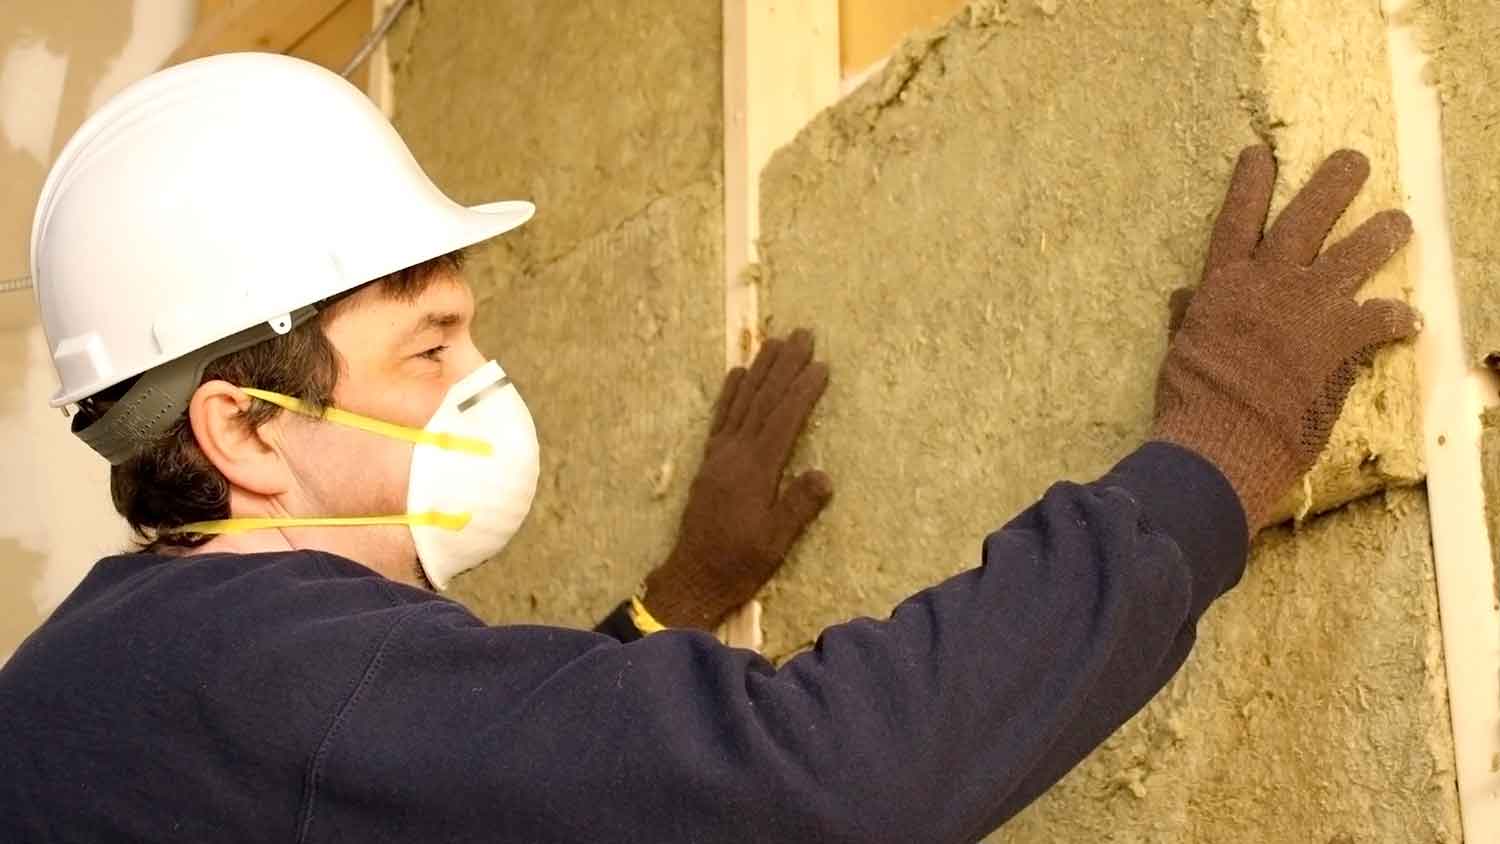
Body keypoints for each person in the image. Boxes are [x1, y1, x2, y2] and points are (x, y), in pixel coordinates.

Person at [0, 54, 1416, 843]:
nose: (481, 385)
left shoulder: (122, 680)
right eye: (428, 350)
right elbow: (817, 786)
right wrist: (1211, 451)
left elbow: (490, 780)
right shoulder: (271, 670)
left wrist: (672, 602)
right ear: (245, 430)